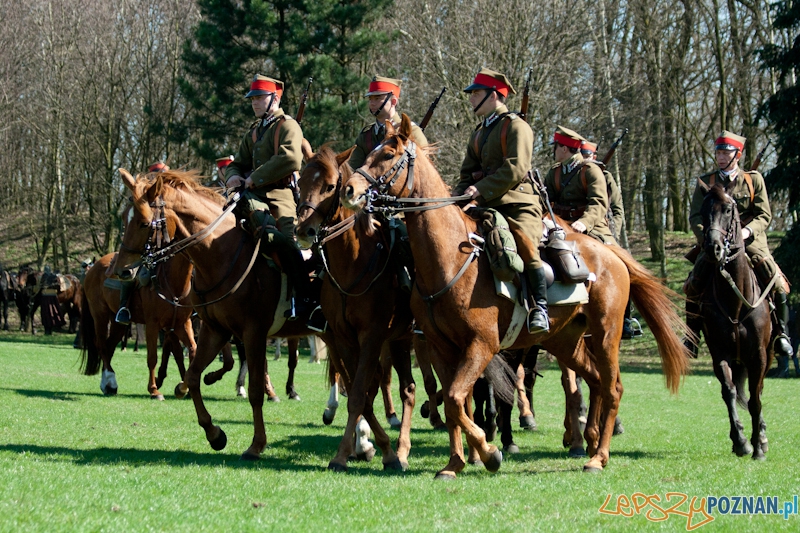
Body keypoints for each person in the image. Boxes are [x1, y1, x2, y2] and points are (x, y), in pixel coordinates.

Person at [684, 131, 796, 376]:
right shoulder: (707, 181)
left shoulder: (753, 180)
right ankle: (691, 337)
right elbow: (695, 216)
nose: (721, 157)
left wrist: (746, 232)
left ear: (738, 155)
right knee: (693, 283)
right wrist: (707, 238)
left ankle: (780, 335)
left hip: (750, 242)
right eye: (718, 152)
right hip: (715, 242)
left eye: (725, 153)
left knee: (778, 283)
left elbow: (764, 215)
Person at [452, 68, 548, 333]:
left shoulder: (517, 126)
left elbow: (516, 168)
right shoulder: (479, 133)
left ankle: (539, 307)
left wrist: (479, 189)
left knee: (525, 244)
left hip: (518, 203)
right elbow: (466, 174)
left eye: (476, 93)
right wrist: (455, 200)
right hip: (485, 205)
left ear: (494, 95)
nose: (471, 98)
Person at [224, 74, 322, 328]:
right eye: (253, 99)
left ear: (274, 98)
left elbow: (291, 159)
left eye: (259, 98)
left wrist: (254, 177)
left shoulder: (288, 126)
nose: (254, 103)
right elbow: (237, 163)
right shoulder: (255, 131)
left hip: (280, 197)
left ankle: (306, 300)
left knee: (286, 242)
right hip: (251, 198)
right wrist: (233, 177)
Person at [580, 140, 641, 339]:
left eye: (587, 156)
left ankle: (626, 319)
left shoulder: (605, 177)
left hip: (600, 230)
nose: (584, 159)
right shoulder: (568, 175)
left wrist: (611, 232)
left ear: (594, 157)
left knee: (625, 267)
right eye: (581, 154)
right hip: (574, 227)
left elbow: (617, 210)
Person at [115, 161, 169, 324]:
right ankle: (124, 307)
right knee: (131, 272)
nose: (158, 178)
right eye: (155, 175)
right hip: (147, 245)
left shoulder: (171, 196)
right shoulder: (142, 196)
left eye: (161, 175)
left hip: (170, 245)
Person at [544, 126, 615, 244]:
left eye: (555, 147)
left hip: (592, 227)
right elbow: (545, 202)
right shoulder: (554, 172)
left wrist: (584, 222)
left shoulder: (590, 170)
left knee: (615, 255)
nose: (553, 151)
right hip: (560, 225)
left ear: (564, 149)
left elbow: (599, 203)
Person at [349, 76, 428, 169]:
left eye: (377, 98)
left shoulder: (412, 131)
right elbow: (352, 170)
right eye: (370, 99)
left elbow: (425, 170)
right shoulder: (366, 136)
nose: (372, 103)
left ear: (393, 101)